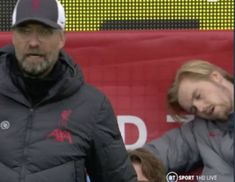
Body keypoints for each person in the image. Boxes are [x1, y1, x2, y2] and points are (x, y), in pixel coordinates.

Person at [0, 0, 137, 181]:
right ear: (13, 36)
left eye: (44, 31)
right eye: (25, 31)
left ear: (62, 39)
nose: (33, 42)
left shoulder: (93, 107)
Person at [144, 60, 234, 182]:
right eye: (194, 109)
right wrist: (135, 164)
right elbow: (163, 151)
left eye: (198, 96)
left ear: (215, 77)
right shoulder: (201, 129)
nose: (201, 108)